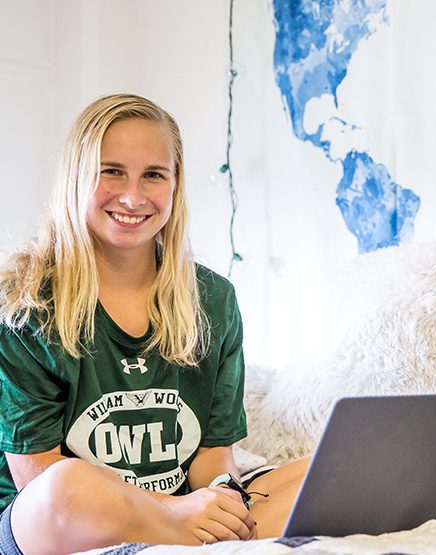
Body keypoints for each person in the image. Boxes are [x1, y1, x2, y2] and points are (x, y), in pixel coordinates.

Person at [0, 94, 306, 554]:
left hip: (185, 507)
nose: (132, 196)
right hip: (59, 518)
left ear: (175, 185)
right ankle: (201, 537)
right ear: (76, 177)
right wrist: (172, 510)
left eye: (154, 175)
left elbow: (211, 454)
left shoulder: (214, 299)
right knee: (69, 485)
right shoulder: (22, 305)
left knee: (329, 470)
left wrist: (218, 499)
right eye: (112, 171)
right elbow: (37, 476)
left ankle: (204, 538)